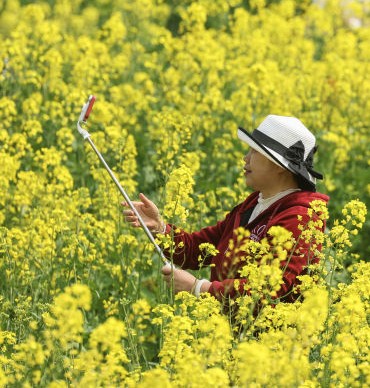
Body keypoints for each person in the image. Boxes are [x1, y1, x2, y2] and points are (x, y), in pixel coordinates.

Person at [122, 115, 328, 306]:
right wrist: (160, 228)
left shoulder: (301, 217)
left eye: (254, 152)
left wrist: (199, 288)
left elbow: (270, 290)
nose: (246, 158)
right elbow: (200, 249)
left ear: (279, 166)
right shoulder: (256, 204)